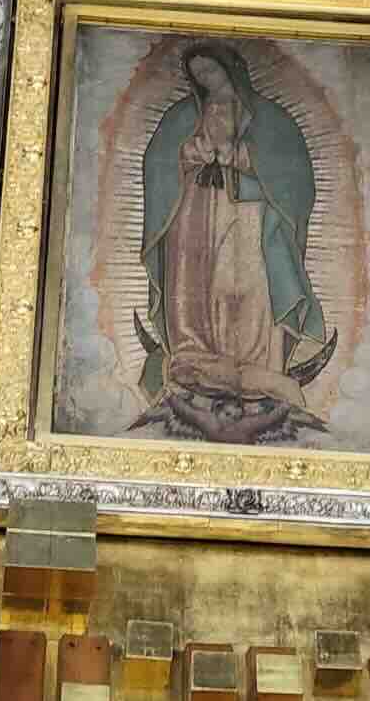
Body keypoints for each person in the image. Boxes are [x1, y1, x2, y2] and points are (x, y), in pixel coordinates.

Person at [134, 37, 331, 441]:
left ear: (230, 69)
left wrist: (242, 158)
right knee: (197, 282)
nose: (206, 79)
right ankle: (196, 356)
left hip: (249, 214)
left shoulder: (270, 118)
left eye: (211, 70)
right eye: (198, 74)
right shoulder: (181, 116)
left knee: (250, 282)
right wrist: (188, 153)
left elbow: (294, 174)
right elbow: (158, 161)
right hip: (194, 213)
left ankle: (257, 363)